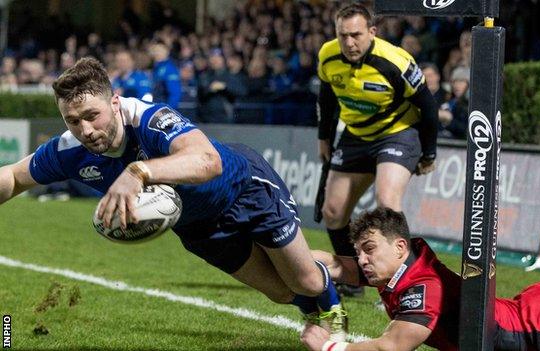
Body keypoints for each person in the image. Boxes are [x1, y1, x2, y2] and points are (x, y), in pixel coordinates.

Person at [0, 57, 347, 341]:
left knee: (306, 282)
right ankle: (319, 286)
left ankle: (333, 308)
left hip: (244, 190)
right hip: (198, 226)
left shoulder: (151, 119)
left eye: (93, 115)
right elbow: (14, 176)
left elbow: (208, 162)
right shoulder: (70, 149)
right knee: (281, 292)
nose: (86, 130)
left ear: (115, 103)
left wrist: (139, 171)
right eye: (73, 121)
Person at [301, 207, 540, 351]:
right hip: (534, 304)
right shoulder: (401, 263)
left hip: (539, 331)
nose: (362, 260)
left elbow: (391, 347)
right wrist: (279, 245)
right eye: (359, 252)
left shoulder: (422, 290)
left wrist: (329, 346)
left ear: (400, 246)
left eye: (368, 250)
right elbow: (335, 265)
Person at [316, 4, 438, 297]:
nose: (349, 43)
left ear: (372, 32)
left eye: (356, 34)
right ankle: (355, 277)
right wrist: (324, 138)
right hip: (355, 135)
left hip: (397, 133)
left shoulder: (395, 61)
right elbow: (327, 99)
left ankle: (406, 284)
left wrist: (429, 153)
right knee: (333, 212)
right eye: (342, 35)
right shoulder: (327, 55)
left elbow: (428, 106)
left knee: (387, 204)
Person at [149, 40, 182, 108]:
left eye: (160, 50)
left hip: (164, 110)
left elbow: (175, 94)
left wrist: (169, 111)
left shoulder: (170, 69)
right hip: (156, 107)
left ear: (167, 52)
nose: (157, 53)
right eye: (155, 50)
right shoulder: (155, 68)